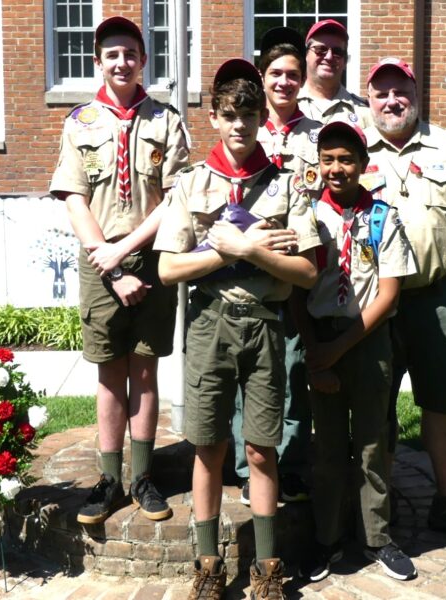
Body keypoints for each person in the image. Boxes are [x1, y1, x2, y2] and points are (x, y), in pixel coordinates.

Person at [154, 58, 320, 600]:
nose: (240, 125)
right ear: (214, 119)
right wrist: (221, 252)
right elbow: (168, 268)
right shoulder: (192, 183)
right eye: (229, 115)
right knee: (209, 447)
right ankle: (207, 565)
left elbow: (307, 271)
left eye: (249, 115)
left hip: (265, 325)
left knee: (261, 449)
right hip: (210, 323)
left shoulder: (286, 186)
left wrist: (249, 249)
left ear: (260, 117)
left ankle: (268, 568)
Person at [50, 16, 189, 525]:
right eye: (112, 54)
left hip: (152, 258)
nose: (122, 62)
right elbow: (74, 199)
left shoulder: (166, 121)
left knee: (145, 371)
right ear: (98, 62)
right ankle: (109, 479)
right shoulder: (80, 123)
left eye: (130, 53)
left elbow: (174, 199)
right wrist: (108, 263)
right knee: (110, 374)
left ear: (143, 60)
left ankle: (143, 477)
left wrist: (125, 250)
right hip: (99, 262)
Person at [364, 57, 446, 548]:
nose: (391, 101)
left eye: (400, 91)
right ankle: (379, 509)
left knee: (443, 404)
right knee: (376, 407)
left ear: (416, 95)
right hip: (374, 300)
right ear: (369, 99)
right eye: (381, 93)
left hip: (438, 297)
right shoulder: (354, 147)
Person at [290, 121, 417, 583]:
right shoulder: (305, 217)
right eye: (328, 160)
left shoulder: (383, 217)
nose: (336, 168)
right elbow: (295, 292)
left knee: (371, 444)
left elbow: (389, 294)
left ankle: (377, 537)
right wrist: (315, 350)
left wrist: (338, 348)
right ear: (317, 165)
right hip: (319, 335)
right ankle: (327, 539)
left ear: (363, 164)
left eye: (346, 159)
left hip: (366, 340)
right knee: (326, 449)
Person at [231, 26, 323, 507]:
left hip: (300, 270)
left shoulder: (318, 135)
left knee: (294, 366)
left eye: (292, 74)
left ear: (302, 80)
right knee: (249, 372)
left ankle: (291, 463)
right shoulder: (245, 127)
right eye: (276, 74)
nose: (284, 82)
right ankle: (249, 467)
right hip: (251, 273)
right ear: (262, 78)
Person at [298, 19, 372, 128]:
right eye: (321, 49)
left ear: (345, 61)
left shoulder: (364, 112)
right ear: (306, 55)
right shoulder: (287, 105)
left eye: (337, 52)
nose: (329, 57)